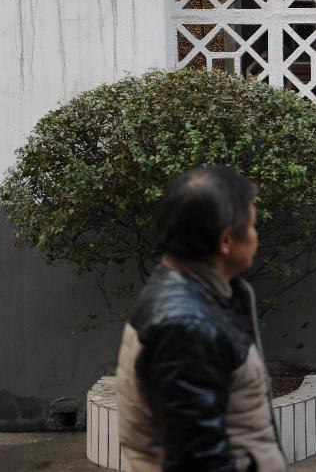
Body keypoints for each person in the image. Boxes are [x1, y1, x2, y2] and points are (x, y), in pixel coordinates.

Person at [116, 166, 286, 471]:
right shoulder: (186, 328)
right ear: (225, 241)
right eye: (251, 226)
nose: (256, 236)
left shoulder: (204, 292)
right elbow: (198, 460)